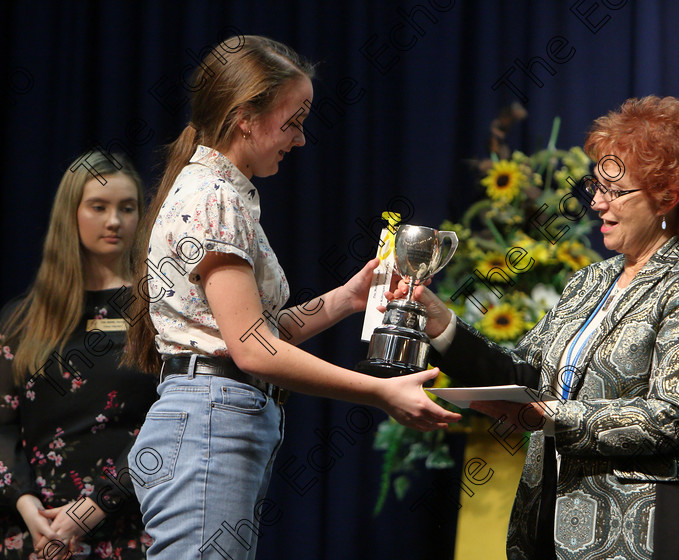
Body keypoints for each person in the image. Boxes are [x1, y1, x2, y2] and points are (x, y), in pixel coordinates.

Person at [118, 35, 460, 560]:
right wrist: (379, 392)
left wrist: (347, 298)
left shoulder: (221, 192)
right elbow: (253, 350)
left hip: (219, 419)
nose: (300, 139)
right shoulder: (213, 197)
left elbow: (255, 331)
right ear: (244, 118)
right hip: (210, 422)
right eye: (293, 121)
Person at [396, 96, 679, 559]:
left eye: (615, 191)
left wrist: (552, 416)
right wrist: (440, 323)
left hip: (649, 528)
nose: (596, 202)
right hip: (552, 521)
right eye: (597, 187)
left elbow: (672, 416)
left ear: (667, 197)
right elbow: (525, 375)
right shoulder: (590, 281)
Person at [0, 150, 157, 559]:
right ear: (71, 213)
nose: (114, 221)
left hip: (133, 527)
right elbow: (2, 425)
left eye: (127, 208)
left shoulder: (159, 313)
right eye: (98, 207)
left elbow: (172, 428)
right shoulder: (20, 320)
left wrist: (94, 507)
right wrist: (26, 504)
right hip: (40, 533)